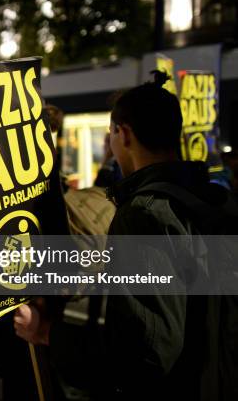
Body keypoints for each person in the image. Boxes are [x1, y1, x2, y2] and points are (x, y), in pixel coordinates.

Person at [14, 72, 238, 400]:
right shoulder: (214, 199)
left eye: (111, 134)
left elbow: (146, 351)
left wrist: (47, 332)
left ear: (124, 134)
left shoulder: (146, 214)